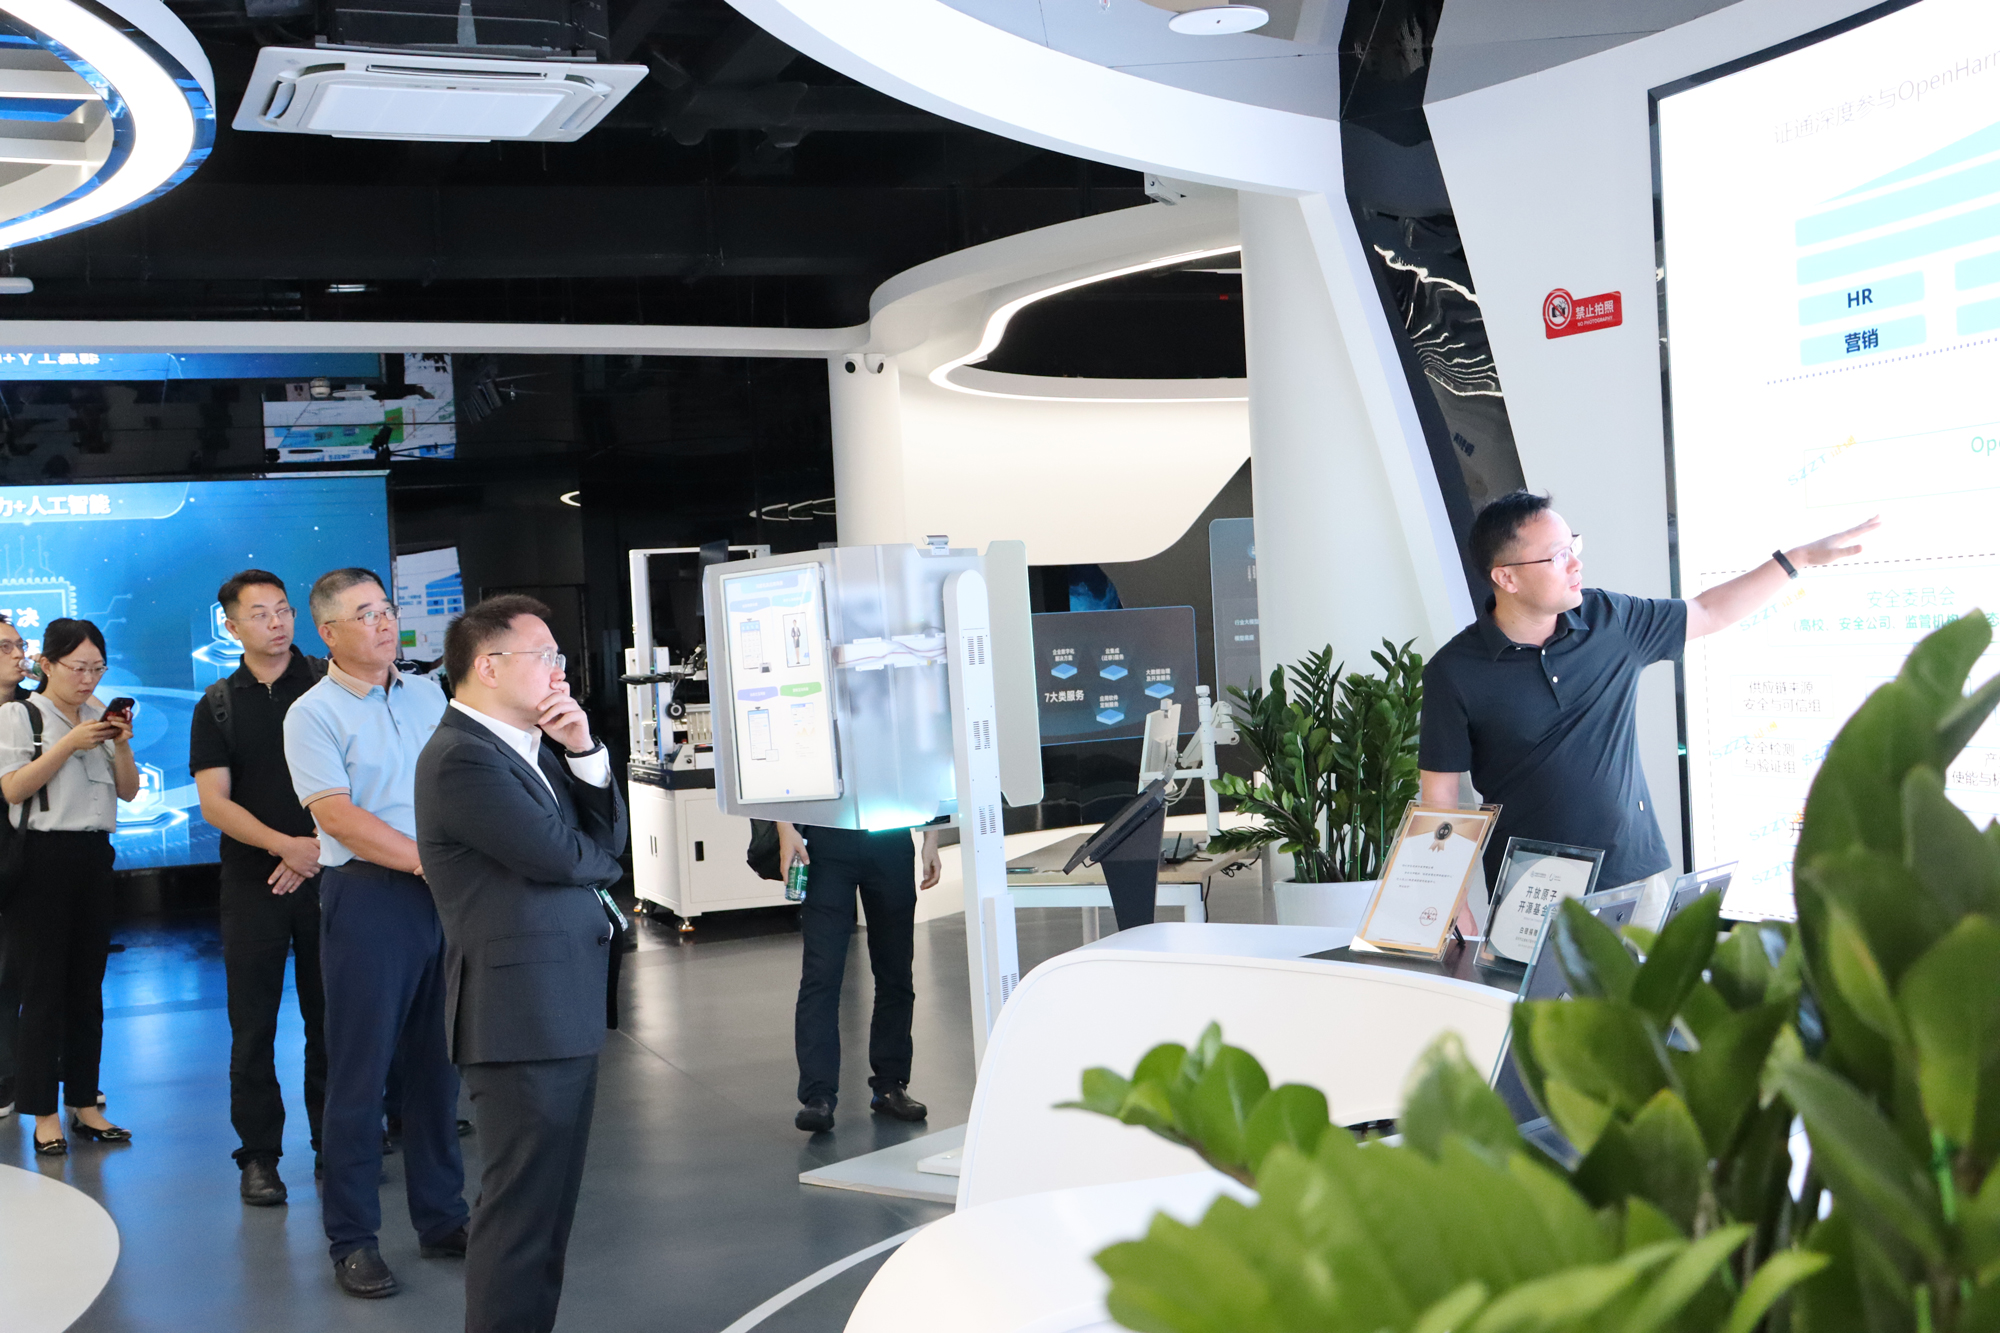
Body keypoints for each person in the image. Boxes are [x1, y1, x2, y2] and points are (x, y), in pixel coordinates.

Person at [1417, 491, 1877, 923]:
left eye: (1573, 546)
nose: (1576, 563)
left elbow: (1708, 611)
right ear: (1507, 577)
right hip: (1532, 887)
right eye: (1557, 556)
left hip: (1636, 877)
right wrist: (1449, 905)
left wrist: (1796, 559)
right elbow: (1440, 800)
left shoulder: (1608, 620)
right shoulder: (1454, 671)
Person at [416, 595, 627, 1333]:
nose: (558, 671)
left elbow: (602, 841)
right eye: (545, 656)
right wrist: (602, 864)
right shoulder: (463, 758)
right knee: (518, 1218)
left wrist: (584, 750)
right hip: (520, 1016)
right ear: (488, 665)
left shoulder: (525, 747)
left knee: (547, 1214)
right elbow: (566, 857)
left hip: (557, 1006)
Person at [284, 568, 468, 1299]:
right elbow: (337, 816)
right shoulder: (312, 713)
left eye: (386, 609)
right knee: (360, 1074)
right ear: (328, 632)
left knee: (438, 1067)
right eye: (365, 614)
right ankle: (353, 1239)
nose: (384, 623)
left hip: (444, 894)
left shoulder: (429, 694)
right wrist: (426, 859)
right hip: (369, 896)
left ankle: (443, 1217)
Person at [190, 570, 328, 1206]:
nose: (277, 623)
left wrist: (315, 847)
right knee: (253, 1027)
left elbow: (363, 773)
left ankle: (336, 1142)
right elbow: (215, 803)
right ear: (231, 626)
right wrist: (285, 846)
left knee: (334, 1020)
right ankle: (260, 1157)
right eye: (260, 614)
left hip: (331, 874)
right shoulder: (217, 703)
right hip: (253, 884)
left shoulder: (329, 683)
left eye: (283, 610)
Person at [0, 619, 140, 1156]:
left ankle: (85, 1103)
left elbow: (128, 792)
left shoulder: (97, 718)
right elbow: (14, 788)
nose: (87, 679)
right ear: (46, 665)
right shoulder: (21, 715)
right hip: (42, 858)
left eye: (97, 668)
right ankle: (42, 1114)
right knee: (42, 991)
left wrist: (120, 745)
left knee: (87, 988)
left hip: (94, 856)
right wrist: (68, 745)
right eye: (77, 667)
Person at [778, 819, 941, 1133]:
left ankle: (890, 1085)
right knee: (821, 975)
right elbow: (783, 784)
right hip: (824, 838)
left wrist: (931, 839)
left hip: (890, 836)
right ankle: (818, 1095)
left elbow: (922, 785)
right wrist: (786, 830)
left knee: (895, 972)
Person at [0, 614, 35, 1120]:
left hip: (28, 854)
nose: (17, 654)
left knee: (20, 971)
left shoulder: (37, 709)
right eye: (5, 646)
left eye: (20, 644)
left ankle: (29, 1074)